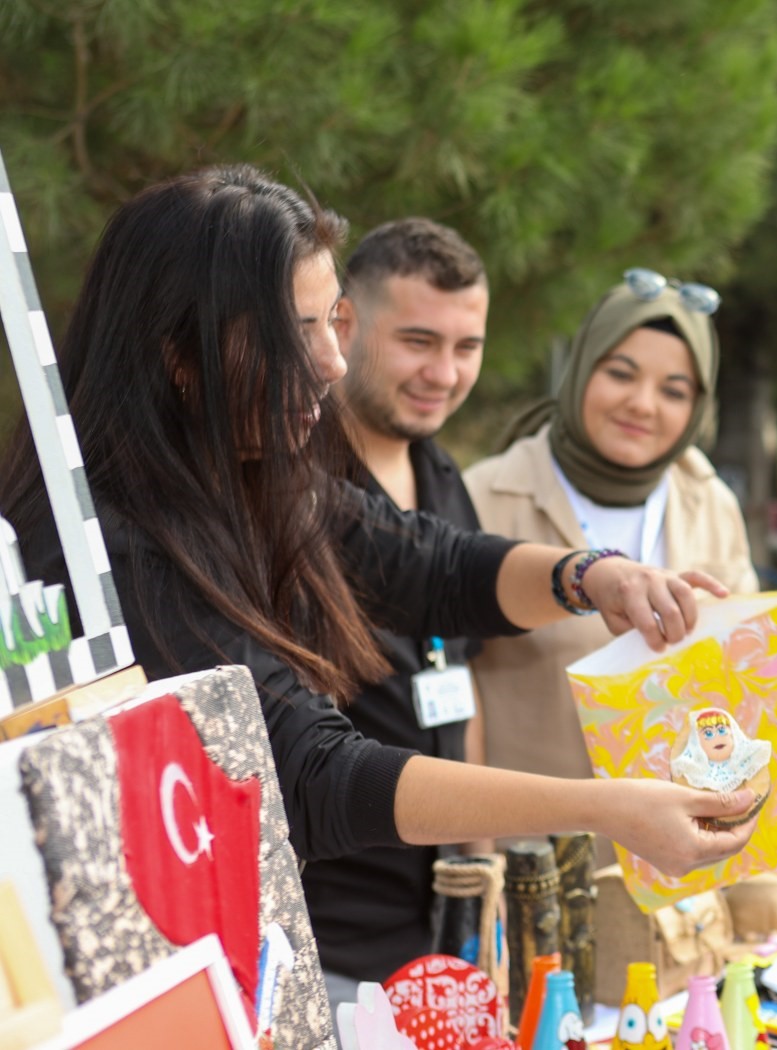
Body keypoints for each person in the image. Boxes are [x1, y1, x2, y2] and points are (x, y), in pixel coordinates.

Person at [0, 166, 760, 886]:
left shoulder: (266, 478)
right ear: (181, 356)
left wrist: (592, 575)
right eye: (296, 331)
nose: (333, 362)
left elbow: (430, 565)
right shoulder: (108, 550)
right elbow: (302, 770)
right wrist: (600, 807)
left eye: (334, 322)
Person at [463, 270, 758, 831]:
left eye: (674, 390)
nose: (642, 404)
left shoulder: (711, 501)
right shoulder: (484, 496)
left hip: (682, 863)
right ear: (580, 371)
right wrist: (476, 860)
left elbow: (744, 681)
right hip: (534, 857)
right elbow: (457, 703)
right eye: (620, 374)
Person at [298, 217, 490, 1001]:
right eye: (418, 340)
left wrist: (483, 861)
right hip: (323, 934)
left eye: (466, 347)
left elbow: (463, 677)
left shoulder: (445, 478)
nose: (442, 373)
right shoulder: (289, 485)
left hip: (441, 927)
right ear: (343, 323)